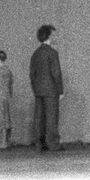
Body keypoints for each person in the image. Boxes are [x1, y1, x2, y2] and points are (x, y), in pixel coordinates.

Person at [29, 24, 64, 152]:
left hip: (38, 90)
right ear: (49, 36)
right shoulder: (52, 52)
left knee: (39, 117)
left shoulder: (35, 53)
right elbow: (56, 73)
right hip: (51, 90)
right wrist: (60, 90)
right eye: (52, 34)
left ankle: (39, 143)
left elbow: (32, 74)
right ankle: (53, 144)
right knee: (51, 117)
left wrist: (35, 88)